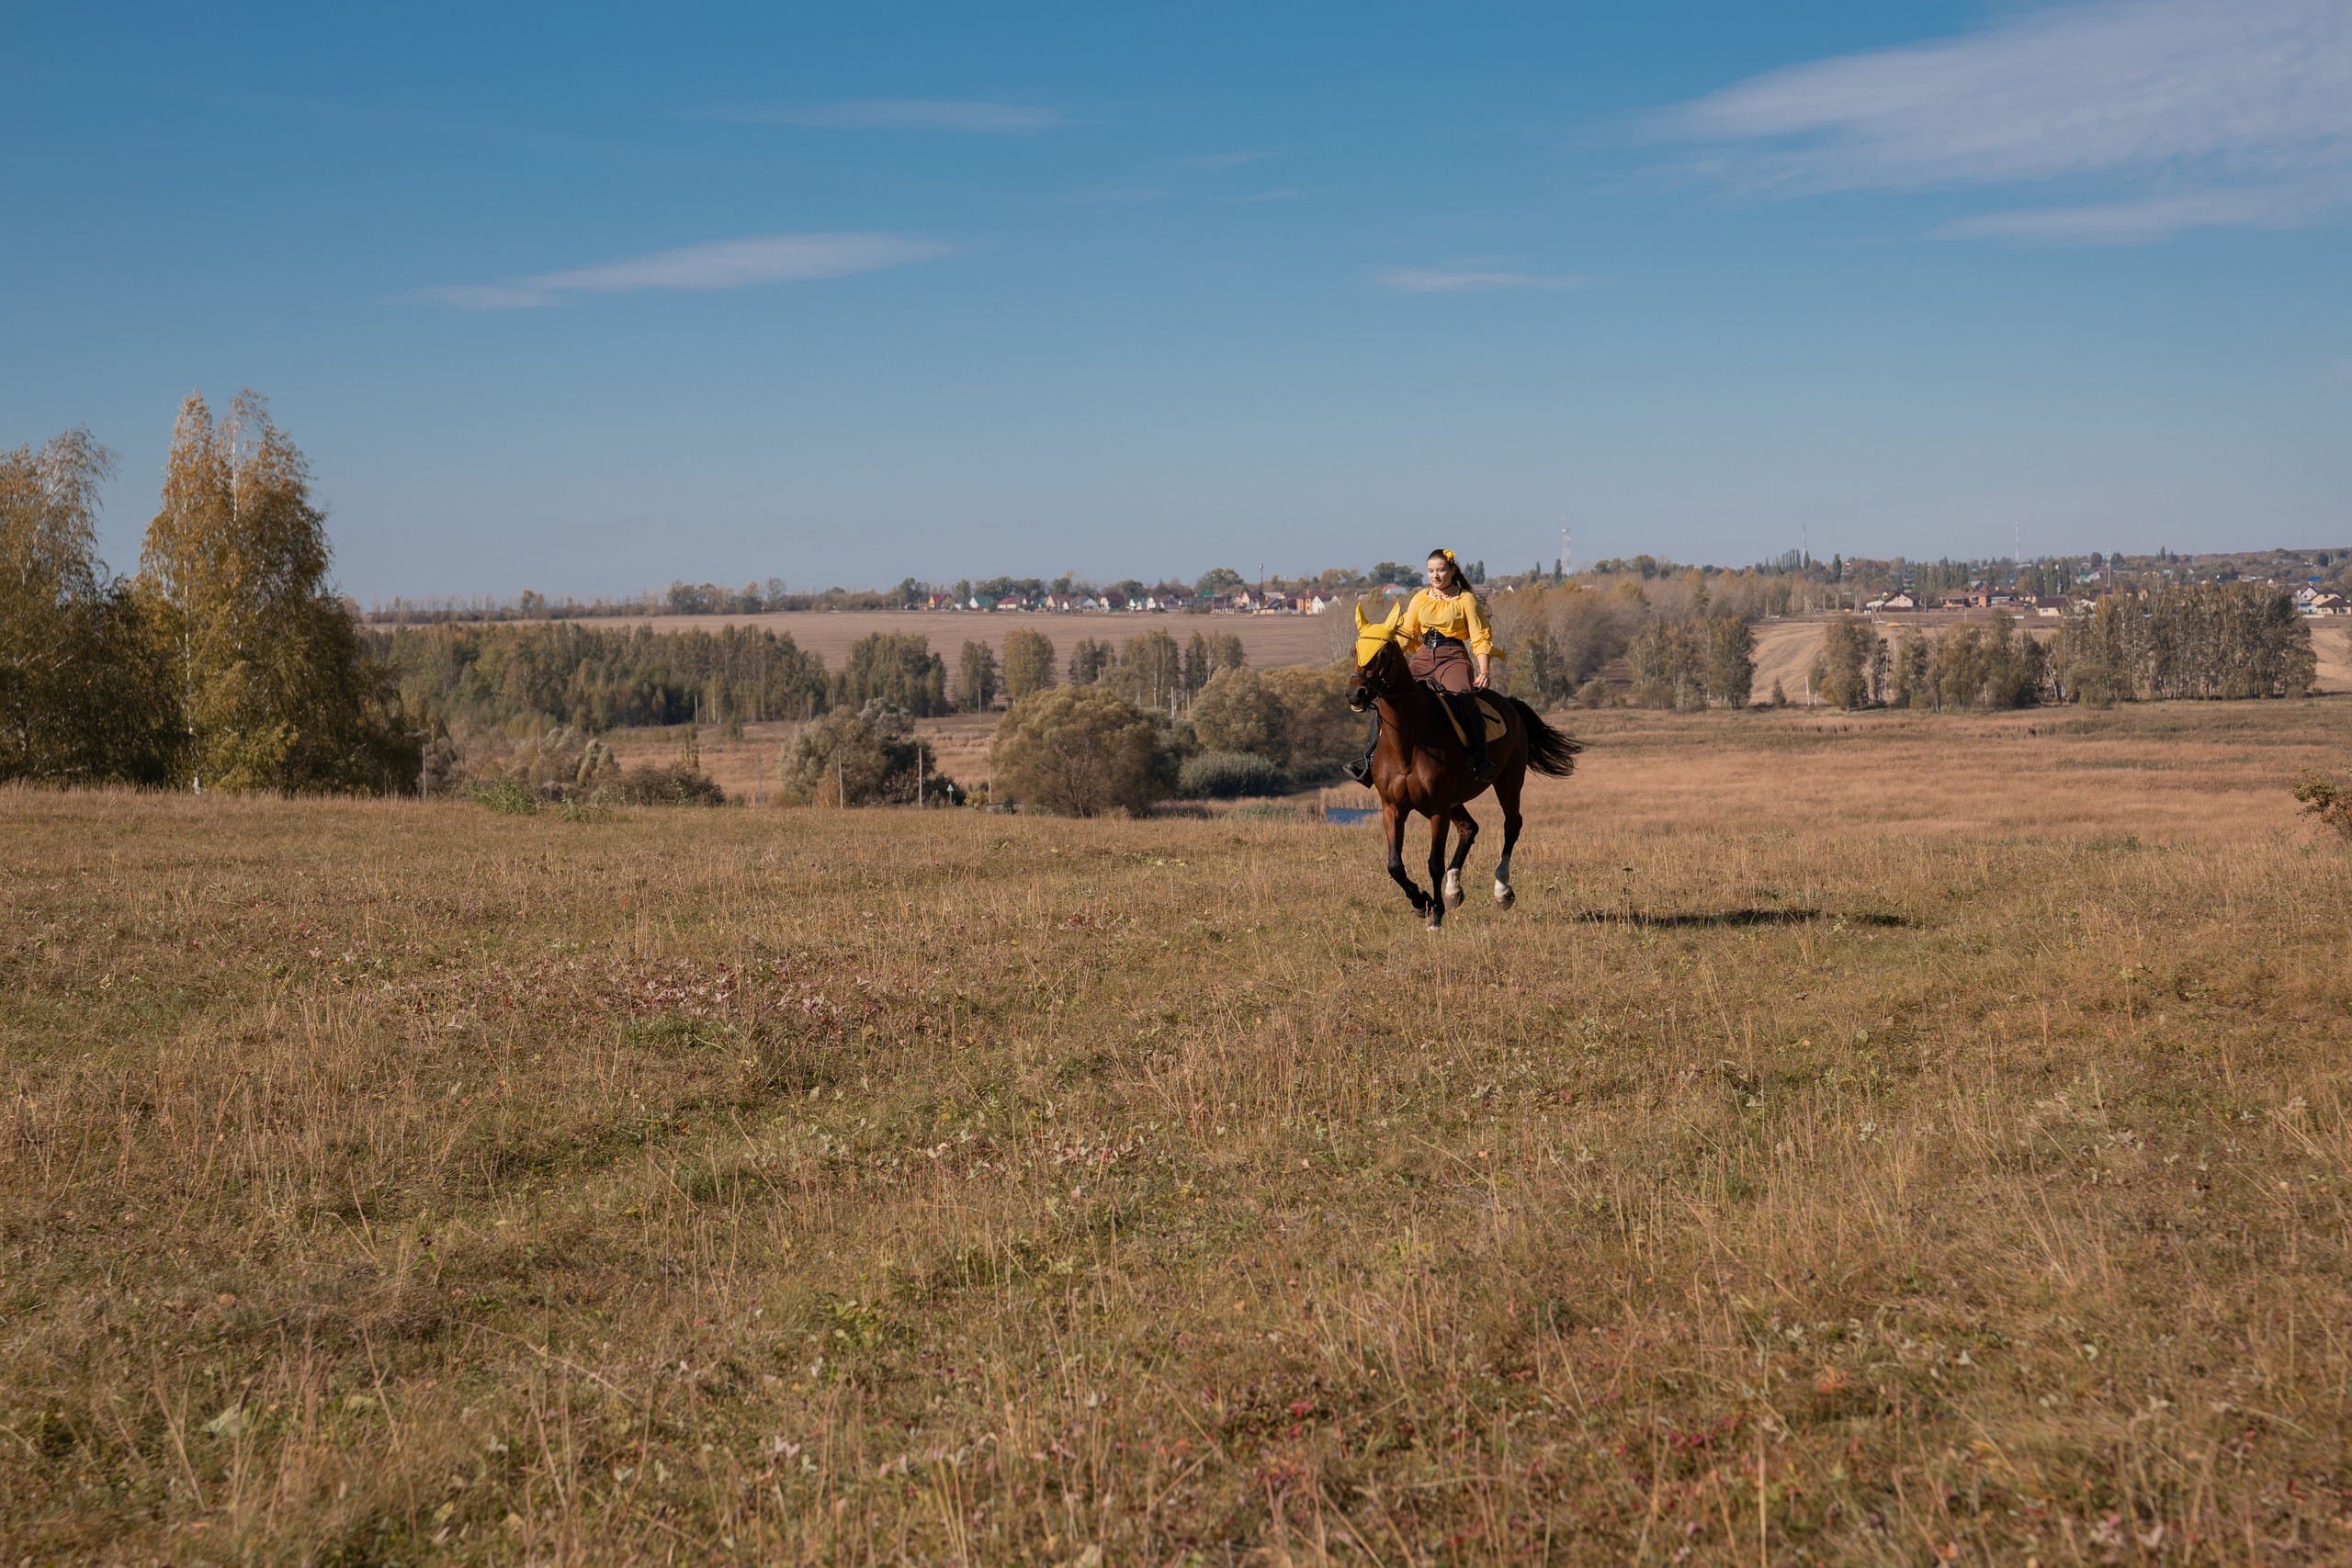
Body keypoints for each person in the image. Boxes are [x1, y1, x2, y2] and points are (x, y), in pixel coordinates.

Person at [1345, 547, 1496, 784]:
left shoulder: (1465, 599)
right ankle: (1370, 760)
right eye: (1431, 571)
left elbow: (1480, 636)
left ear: (1452, 570)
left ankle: (1480, 758)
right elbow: (1406, 633)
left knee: (1464, 697)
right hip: (1424, 654)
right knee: (1388, 698)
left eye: (1441, 570)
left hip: (1453, 655)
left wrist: (1484, 670)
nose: (1435, 576)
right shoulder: (1419, 598)